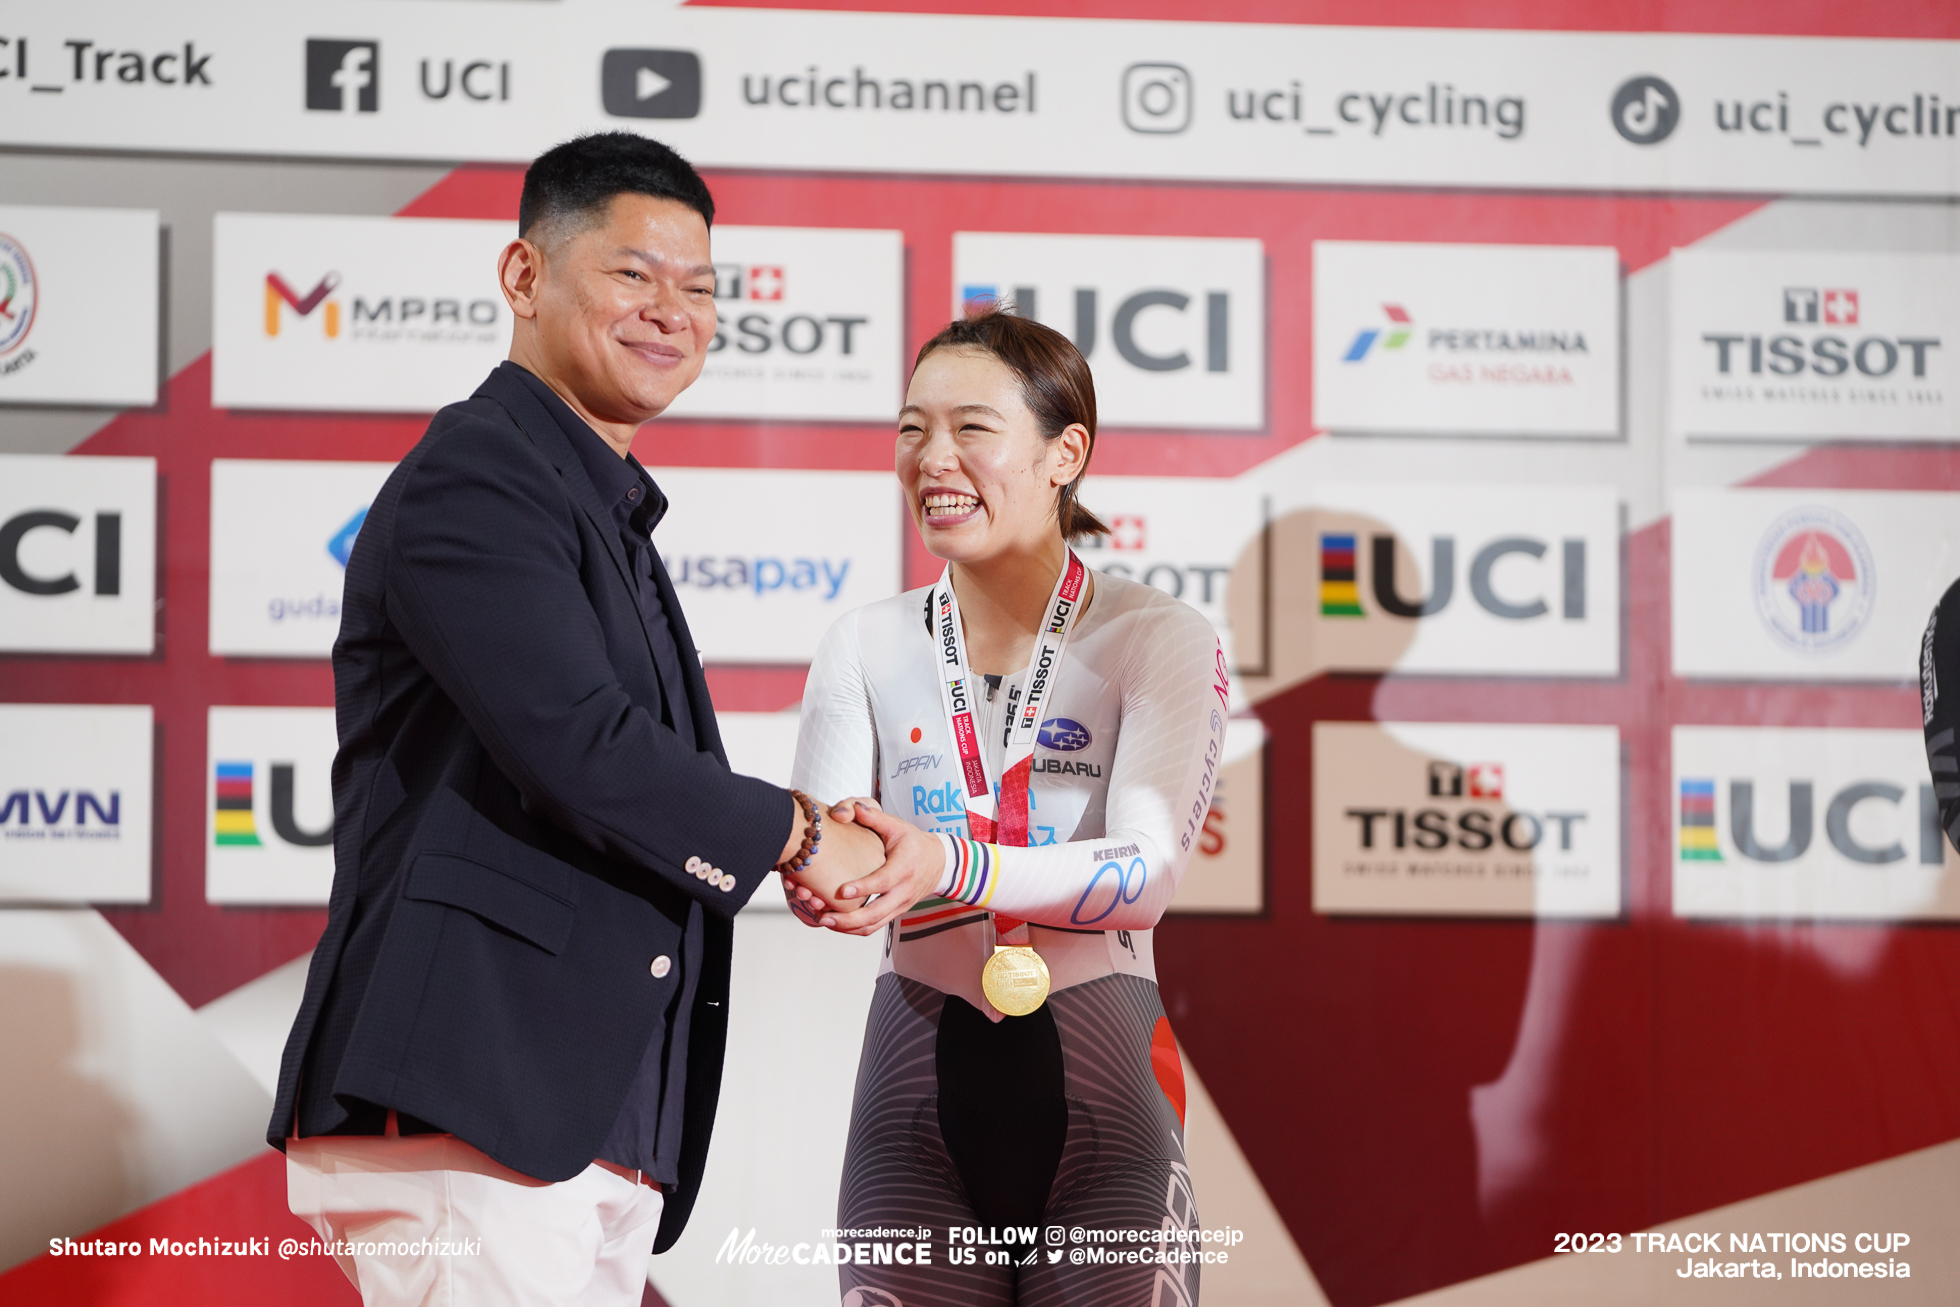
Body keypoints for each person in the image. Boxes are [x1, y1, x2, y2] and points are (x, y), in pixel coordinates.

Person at [266, 132, 884, 1307]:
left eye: (699, 288)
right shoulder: (480, 475)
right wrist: (802, 834)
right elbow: (579, 744)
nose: (673, 311)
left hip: (575, 1118)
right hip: (476, 1098)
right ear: (524, 276)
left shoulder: (596, 506)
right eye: (634, 273)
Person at [786, 310, 1229, 1307]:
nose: (932, 457)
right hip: (912, 1095)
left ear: (1063, 450)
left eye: (971, 427)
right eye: (911, 428)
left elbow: (1148, 872)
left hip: (1104, 1098)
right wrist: (817, 865)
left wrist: (949, 864)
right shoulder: (863, 641)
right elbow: (833, 847)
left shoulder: (1152, 635)